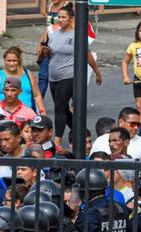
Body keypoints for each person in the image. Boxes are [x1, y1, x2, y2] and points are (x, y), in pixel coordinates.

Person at [42, 3, 102, 148]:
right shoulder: (53, 34)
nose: (60, 20)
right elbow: (49, 54)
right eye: (59, 17)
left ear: (71, 19)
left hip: (68, 75)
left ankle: (57, 141)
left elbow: (87, 56)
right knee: (61, 107)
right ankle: (79, 131)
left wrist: (97, 72)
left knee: (59, 107)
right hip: (53, 76)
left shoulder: (77, 35)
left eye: (63, 17)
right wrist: (45, 51)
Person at [0, 46, 44, 114]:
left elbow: (37, 96)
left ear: (19, 60)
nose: (11, 63)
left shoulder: (28, 74)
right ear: (4, 60)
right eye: (9, 60)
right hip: (4, 117)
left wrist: (42, 113)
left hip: (27, 117)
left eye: (14, 61)